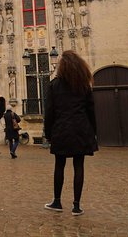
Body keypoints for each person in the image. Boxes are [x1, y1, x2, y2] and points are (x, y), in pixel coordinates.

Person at [43, 50, 98, 216]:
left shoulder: (54, 85)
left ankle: (57, 202)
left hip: (61, 130)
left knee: (59, 165)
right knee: (78, 166)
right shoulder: (84, 85)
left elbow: (50, 112)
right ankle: (76, 205)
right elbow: (91, 111)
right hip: (81, 130)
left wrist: (48, 132)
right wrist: (93, 131)